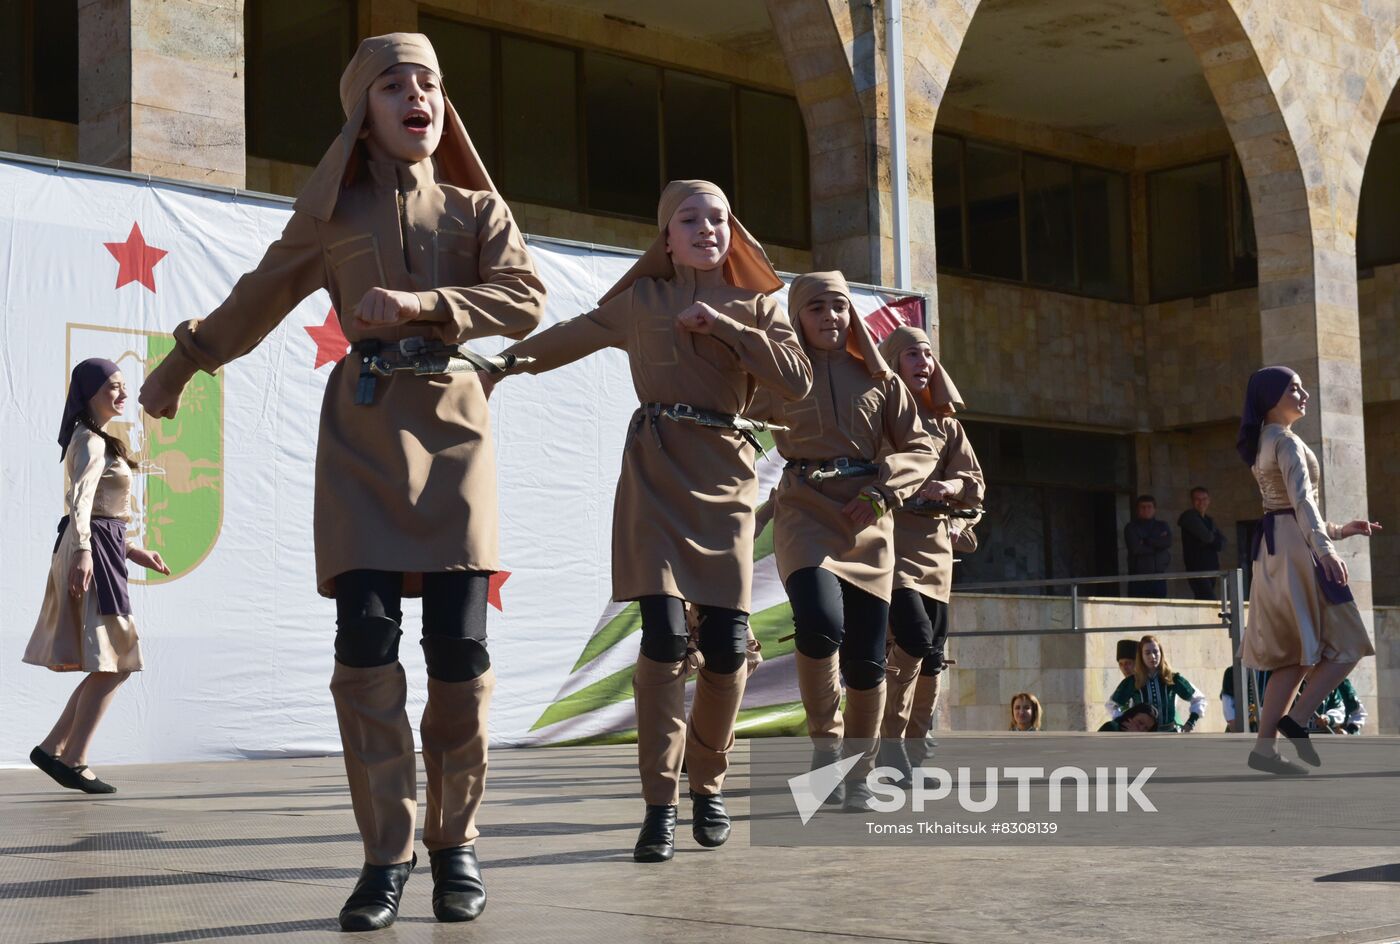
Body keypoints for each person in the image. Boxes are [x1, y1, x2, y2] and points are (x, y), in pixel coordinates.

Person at [138, 33, 547, 929]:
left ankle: (456, 845)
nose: (419, 98)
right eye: (396, 85)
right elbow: (258, 297)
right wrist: (184, 363)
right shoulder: (331, 213)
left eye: (431, 84)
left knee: (459, 654)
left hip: (455, 436)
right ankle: (385, 854)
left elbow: (523, 297)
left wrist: (427, 308)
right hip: (361, 436)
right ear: (363, 110)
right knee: (365, 646)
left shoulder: (479, 211)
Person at [491, 180, 811, 862]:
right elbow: (569, 337)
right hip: (653, 473)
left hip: (725, 478)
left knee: (725, 646)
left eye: (718, 218)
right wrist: (499, 365)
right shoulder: (641, 302)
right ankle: (659, 805)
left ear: (733, 232)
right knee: (664, 640)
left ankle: (709, 785)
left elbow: (797, 379)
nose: (705, 228)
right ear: (666, 238)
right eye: (688, 219)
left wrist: (726, 327)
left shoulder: (758, 305)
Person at [754, 272, 937, 812]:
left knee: (865, 660)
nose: (830, 317)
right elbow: (737, 422)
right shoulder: (780, 377)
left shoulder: (879, 378)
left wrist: (884, 493)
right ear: (797, 316)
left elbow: (921, 448)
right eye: (816, 308)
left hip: (868, 520)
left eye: (838, 306)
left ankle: (856, 773)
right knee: (818, 622)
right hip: (803, 511)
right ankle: (826, 746)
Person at [25, 359, 171, 795]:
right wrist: (86, 552)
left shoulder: (100, 439)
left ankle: (56, 750)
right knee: (117, 660)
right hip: (91, 549)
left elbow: (104, 512)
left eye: (124, 386)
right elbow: (81, 502)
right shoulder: (87, 440)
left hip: (103, 547)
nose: (123, 394)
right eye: (114, 387)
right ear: (89, 392)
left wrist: (132, 549)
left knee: (114, 661)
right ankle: (71, 757)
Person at [1235, 367, 1379, 775]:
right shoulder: (1284, 440)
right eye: (1293, 388)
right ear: (1270, 397)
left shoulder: (1266, 439)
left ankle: (1264, 751)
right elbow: (1301, 503)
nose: (1304, 394)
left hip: (1277, 549)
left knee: (1296, 656)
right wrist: (1328, 547)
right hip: (1297, 551)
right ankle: (1296, 720)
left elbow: (1287, 507)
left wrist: (1339, 529)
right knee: (1350, 642)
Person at [872, 325, 983, 772]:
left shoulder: (945, 423)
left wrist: (950, 485)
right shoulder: (875, 414)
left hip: (936, 548)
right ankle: (890, 736)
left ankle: (913, 742)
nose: (923, 363)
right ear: (893, 361)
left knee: (934, 651)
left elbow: (974, 484)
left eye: (928, 355)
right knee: (913, 638)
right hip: (889, 542)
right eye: (912, 355)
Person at [1106, 635, 1205, 732]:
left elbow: (1198, 698)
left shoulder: (1172, 678)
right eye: (1147, 653)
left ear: (1161, 653)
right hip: (1142, 739)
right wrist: (1125, 723)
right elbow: (1112, 704)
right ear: (1141, 656)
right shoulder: (1133, 681)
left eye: (1155, 652)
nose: (1152, 656)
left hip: (1169, 735)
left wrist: (1191, 722)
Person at [1179, 487, 1227, 600]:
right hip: (1197, 568)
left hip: (1211, 566)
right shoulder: (1189, 517)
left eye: (1204, 499)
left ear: (1209, 500)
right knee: (1207, 599)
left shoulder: (1208, 520)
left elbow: (1223, 542)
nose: (1201, 502)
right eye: (1197, 499)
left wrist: (1213, 540)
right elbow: (1208, 537)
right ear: (1192, 501)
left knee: (1205, 600)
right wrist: (1213, 540)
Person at [1124, 495, 1171, 598]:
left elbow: (1167, 542)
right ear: (1137, 510)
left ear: (1154, 509)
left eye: (1149, 507)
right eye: (1143, 507)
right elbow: (1136, 549)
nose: (1146, 510)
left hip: (1158, 576)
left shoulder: (1162, 525)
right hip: (1138, 578)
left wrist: (1146, 541)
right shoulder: (1131, 527)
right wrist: (1158, 546)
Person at [1220, 664, 1268, 733]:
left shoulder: (1272, 672)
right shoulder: (1232, 671)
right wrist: (1235, 726)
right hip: (1239, 725)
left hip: (1265, 725)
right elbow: (1228, 703)